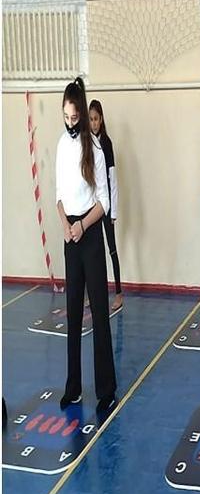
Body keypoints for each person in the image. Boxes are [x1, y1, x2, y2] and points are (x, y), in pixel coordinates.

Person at [56, 77, 117, 414]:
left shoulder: (94, 148)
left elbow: (104, 202)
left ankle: (106, 388)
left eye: (74, 117)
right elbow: (58, 196)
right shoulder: (62, 145)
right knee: (73, 312)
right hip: (71, 236)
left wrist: (82, 225)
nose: (70, 123)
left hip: (90, 234)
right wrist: (65, 224)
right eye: (66, 117)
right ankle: (73, 387)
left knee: (99, 312)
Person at [88, 100, 123, 311]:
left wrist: (113, 210)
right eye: (90, 119)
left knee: (112, 249)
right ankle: (93, 293)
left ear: (101, 119)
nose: (93, 123)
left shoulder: (106, 143)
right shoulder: (87, 143)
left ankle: (118, 293)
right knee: (92, 251)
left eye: (96, 119)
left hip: (106, 205)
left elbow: (112, 178)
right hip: (92, 205)